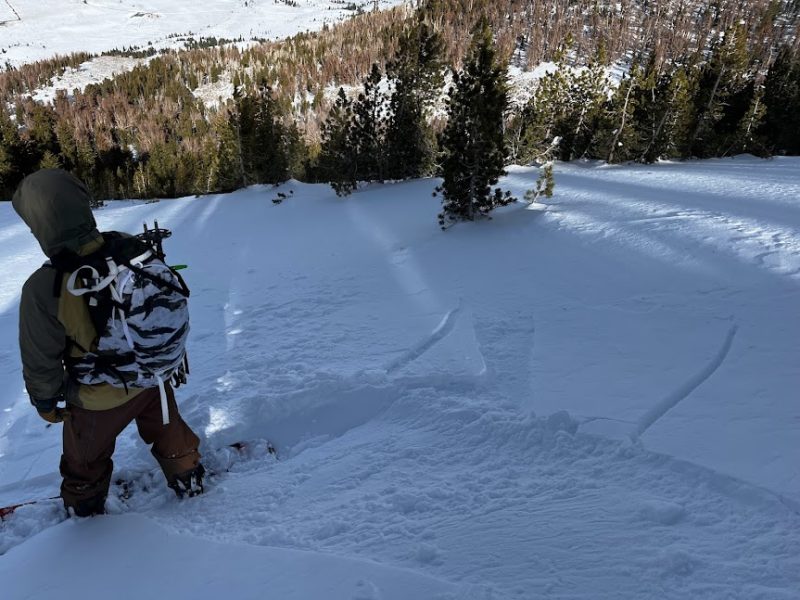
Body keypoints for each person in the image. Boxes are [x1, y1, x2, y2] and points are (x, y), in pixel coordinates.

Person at [12, 169, 203, 517]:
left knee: (84, 458)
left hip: (97, 396)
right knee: (169, 431)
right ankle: (187, 472)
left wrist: (46, 401)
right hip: (153, 377)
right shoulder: (127, 246)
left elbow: (41, 358)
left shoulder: (45, 286)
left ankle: (84, 507)